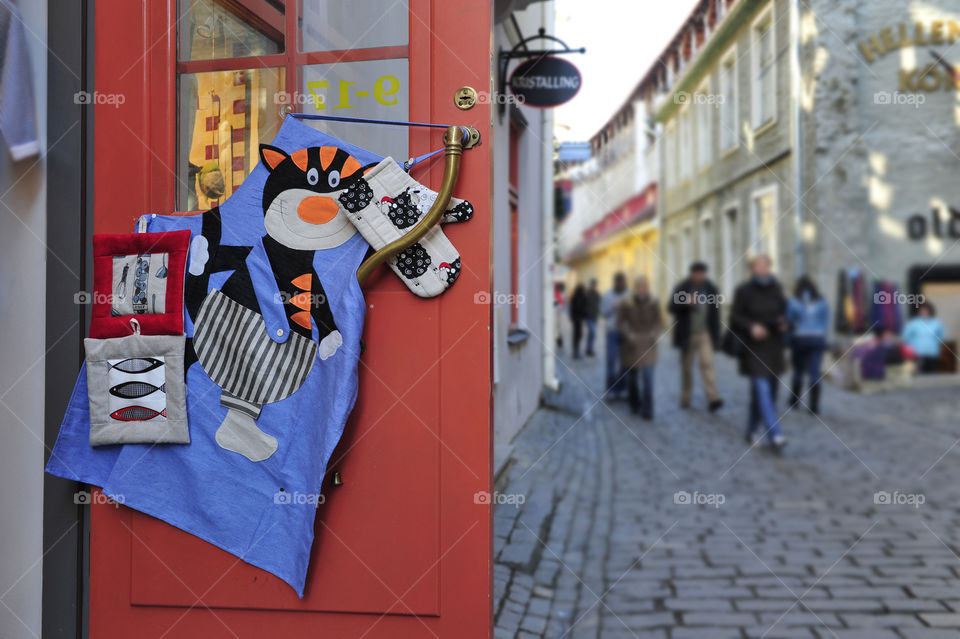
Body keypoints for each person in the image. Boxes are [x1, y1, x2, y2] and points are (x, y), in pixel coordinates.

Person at [730, 255, 788, 452]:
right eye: (759, 265)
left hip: (774, 347)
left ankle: (751, 430)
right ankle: (776, 434)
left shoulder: (777, 288)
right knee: (761, 389)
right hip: (753, 347)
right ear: (752, 268)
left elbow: (784, 311)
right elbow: (734, 317)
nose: (763, 268)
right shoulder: (743, 290)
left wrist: (784, 324)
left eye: (766, 265)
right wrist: (751, 326)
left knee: (767, 394)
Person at [668, 261, 724, 412]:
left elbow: (716, 314)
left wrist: (717, 337)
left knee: (707, 364)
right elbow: (671, 307)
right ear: (692, 274)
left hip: (705, 333)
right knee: (687, 368)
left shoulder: (711, 289)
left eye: (702, 274)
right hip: (688, 334)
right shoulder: (683, 288)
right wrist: (686, 302)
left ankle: (713, 398)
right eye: (697, 273)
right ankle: (685, 397)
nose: (700, 276)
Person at [616, 275, 663, 419]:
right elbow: (619, 323)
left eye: (645, 287)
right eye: (639, 287)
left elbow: (659, 322)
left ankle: (648, 410)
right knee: (632, 379)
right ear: (635, 288)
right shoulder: (627, 303)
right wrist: (628, 334)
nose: (642, 290)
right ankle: (634, 403)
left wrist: (654, 334)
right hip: (632, 345)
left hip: (648, 344)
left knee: (648, 378)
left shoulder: (654, 302)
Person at [786, 276, 830, 414]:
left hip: (800, 339)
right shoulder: (822, 302)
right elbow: (825, 322)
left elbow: (789, 320)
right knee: (814, 372)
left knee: (798, 371)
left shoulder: (793, 302)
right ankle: (814, 406)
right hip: (817, 339)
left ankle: (795, 400)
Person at [600, 272, 630, 398]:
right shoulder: (608, 295)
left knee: (625, 361)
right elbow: (602, 312)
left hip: (625, 331)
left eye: (622, 282)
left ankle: (622, 388)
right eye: (618, 283)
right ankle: (611, 389)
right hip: (612, 331)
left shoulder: (630, 294)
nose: (620, 285)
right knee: (611, 360)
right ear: (615, 283)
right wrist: (613, 307)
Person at [903, 302, 945, 373]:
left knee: (932, 375)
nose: (923, 312)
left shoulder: (936, 323)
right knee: (919, 377)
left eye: (925, 310)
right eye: (921, 310)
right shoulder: (913, 323)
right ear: (918, 311)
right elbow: (905, 337)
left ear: (930, 311)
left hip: (932, 354)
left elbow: (941, 337)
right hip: (917, 354)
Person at [570, 283, 588, 359]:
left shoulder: (576, 297)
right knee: (578, 335)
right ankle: (576, 352)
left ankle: (576, 351)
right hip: (578, 318)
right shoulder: (578, 297)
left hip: (577, 318)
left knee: (577, 335)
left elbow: (583, 307)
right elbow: (580, 308)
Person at [584, 279, 601, 357]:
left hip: (594, 316)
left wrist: (598, 312)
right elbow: (584, 304)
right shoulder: (588, 294)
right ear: (591, 285)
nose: (594, 286)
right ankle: (589, 349)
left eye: (595, 285)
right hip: (589, 316)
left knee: (591, 334)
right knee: (592, 332)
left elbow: (600, 303)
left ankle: (589, 349)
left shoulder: (597, 294)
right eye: (593, 284)